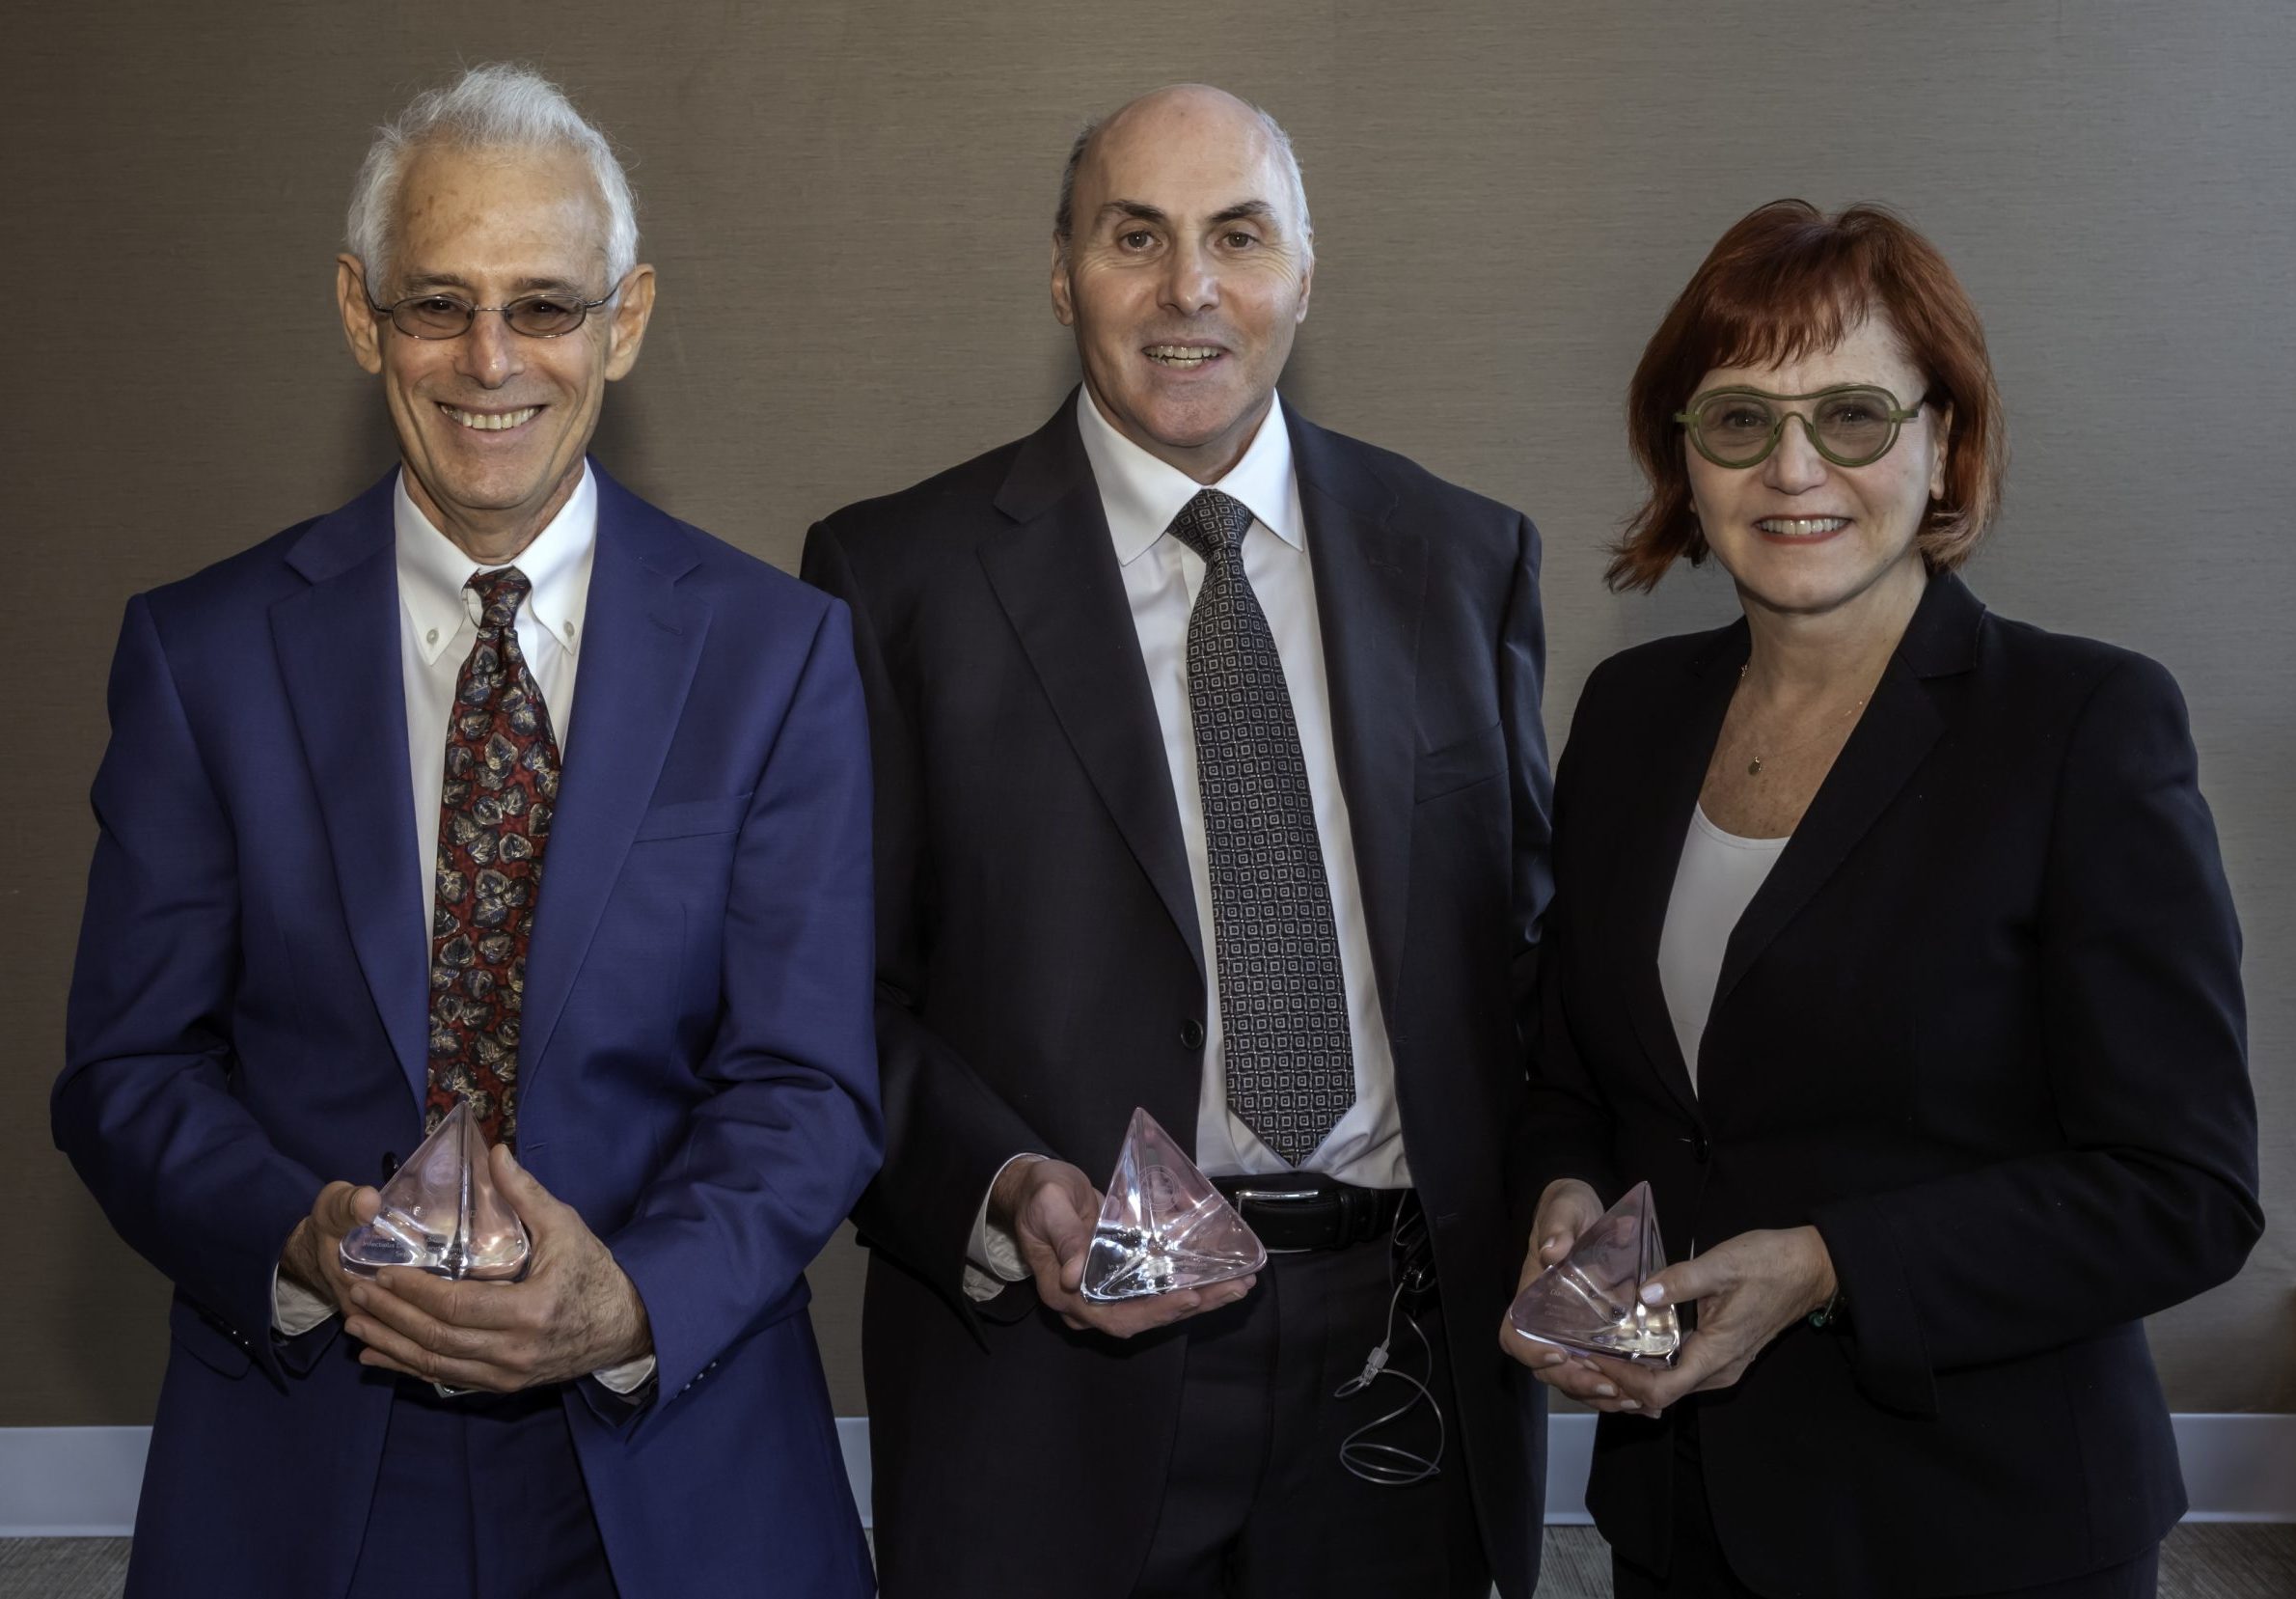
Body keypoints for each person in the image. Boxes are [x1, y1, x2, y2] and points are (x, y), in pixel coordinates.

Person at [53, 64, 879, 1599]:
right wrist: (300, 1241)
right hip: (309, 1449)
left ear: (623, 322)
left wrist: (624, 1301)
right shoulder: (204, 654)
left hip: (674, 1446)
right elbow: (124, 1070)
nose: (489, 358)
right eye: (438, 303)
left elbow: (808, 1081)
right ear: (362, 317)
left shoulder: (779, 655)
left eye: (545, 307)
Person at [804, 82, 1552, 1599]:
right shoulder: (895, 579)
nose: (1188, 289)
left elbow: (1526, 954)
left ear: (1304, 273)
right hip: (1047, 1374)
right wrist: (1007, 1184)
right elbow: (825, 997)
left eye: (1237, 237)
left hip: (1393, 1352)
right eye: (1134, 236)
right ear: (1063, 271)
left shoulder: (1463, 560)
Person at [1502, 199, 2260, 1598]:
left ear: (1944, 440)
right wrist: (1563, 1194)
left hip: (1979, 1522)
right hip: (1684, 1518)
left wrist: (1829, 1262)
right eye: (1737, 418)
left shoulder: (2082, 725)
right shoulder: (1625, 715)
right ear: (1686, 454)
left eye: (1853, 413)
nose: (1794, 466)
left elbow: (2186, 1190)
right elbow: (1578, 1071)